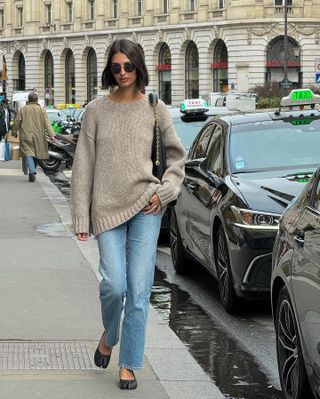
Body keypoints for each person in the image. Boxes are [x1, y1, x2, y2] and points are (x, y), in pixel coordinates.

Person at [70, 38, 185, 390]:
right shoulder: (96, 110)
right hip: (106, 209)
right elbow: (83, 166)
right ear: (110, 69)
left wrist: (164, 192)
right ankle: (110, 334)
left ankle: (129, 363)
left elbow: (176, 157)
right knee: (113, 285)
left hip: (146, 205)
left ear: (138, 67)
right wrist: (80, 216)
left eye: (128, 66)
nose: (122, 73)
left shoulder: (155, 108)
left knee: (138, 291)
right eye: (116, 67)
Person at [12, 92, 56, 182]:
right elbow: (47, 124)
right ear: (36, 100)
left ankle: (32, 172)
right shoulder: (42, 110)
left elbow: (16, 122)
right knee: (36, 153)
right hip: (38, 136)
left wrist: (14, 132)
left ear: (28, 100)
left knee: (28, 153)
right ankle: (32, 171)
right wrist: (52, 135)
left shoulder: (23, 110)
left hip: (25, 135)